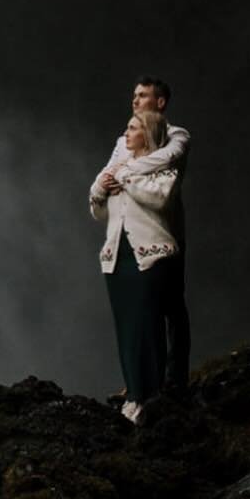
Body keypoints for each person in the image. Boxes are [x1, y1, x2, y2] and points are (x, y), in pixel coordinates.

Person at [99, 79, 192, 393]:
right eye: (134, 95)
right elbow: (107, 173)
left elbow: (164, 159)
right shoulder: (123, 140)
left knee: (172, 308)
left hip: (168, 230)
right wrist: (112, 177)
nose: (135, 101)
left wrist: (128, 170)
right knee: (142, 312)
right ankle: (144, 381)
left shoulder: (175, 134)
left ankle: (174, 378)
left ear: (161, 101)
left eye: (142, 95)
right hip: (132, 233)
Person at [90, 109, 182, 420]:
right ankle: (134, 395)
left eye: (132, 128)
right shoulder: (117, 167)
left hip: (151, 256)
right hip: (118, 259)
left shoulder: (162, 167)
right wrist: (101, 187)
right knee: (126, 328)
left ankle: (151, 396)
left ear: (147, 133)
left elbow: (160, 199)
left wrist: (125, 178)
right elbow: (98, 210)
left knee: (147, 325)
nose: (126, 135)